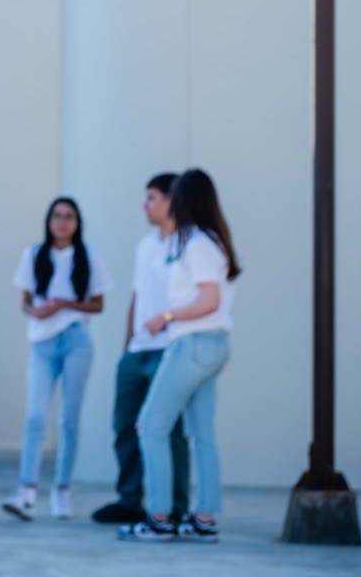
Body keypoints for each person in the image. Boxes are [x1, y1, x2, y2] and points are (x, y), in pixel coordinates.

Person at [118, 168, 240, 543]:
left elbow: (209, 299)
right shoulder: (208, 240)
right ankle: (203, 519)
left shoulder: (197, 243)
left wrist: (166, 317)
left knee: (150, 426)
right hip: (212, 345)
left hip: (193, 344)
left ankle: (159, 517)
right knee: (201, 433)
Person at [2, 197, 112, 521]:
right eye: (57, 216)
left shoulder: (89, 256)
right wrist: (36, 311)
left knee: (68, 417)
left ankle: (62, 490)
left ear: (78, 223)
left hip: (76, 339)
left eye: (69, 217)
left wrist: (64, 304)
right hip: (41, 341)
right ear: (49, 221)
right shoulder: (33, 254)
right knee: (35, 416)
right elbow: (25, 299)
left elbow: (98, 304)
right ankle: (27, 490)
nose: (62, 222)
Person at [92, 174, 190, 524]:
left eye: (151, 198)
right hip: (137, 351)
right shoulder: (145, 245)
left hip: (170, 350)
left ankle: (177, 507)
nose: (145, 205)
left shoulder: (188, 245)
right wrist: (127, 347)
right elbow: (136, 298)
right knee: (125, 425)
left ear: (170, 201)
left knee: (171, 430)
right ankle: (129, 499)